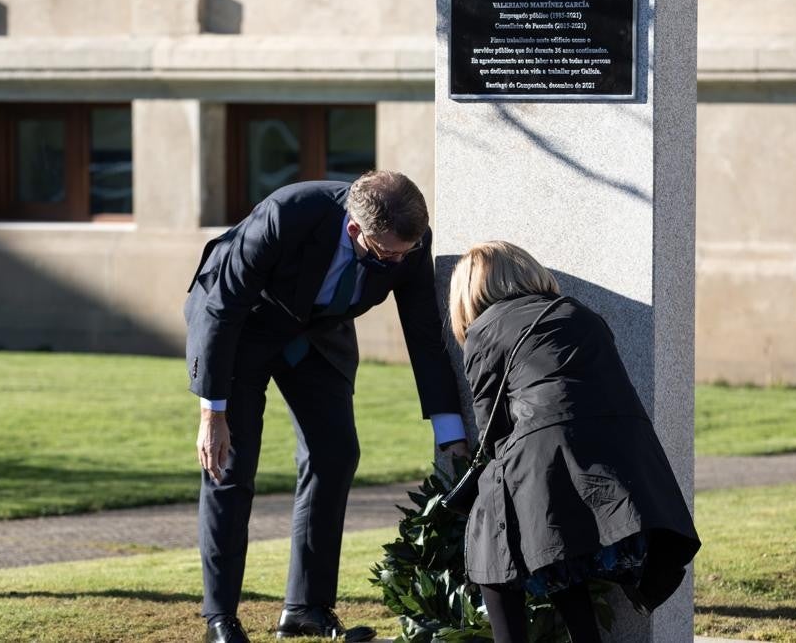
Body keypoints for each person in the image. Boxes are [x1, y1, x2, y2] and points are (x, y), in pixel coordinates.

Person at [185, 171, 470, 643]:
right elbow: (222, 308)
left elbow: (424, 333)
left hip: (317, 336)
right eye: (389, 254)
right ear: (356, 230)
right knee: (229, 465)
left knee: (334, 454)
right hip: (242, 329)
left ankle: (306, 609)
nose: (399, 261)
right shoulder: (288, 213)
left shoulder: (408, 242)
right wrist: (211, 415)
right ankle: (220, 618)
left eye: (406, 252)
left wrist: (450, 433)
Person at [446, 241, 700, 643]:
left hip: (546, 456)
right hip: (624, 464)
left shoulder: (485, 329)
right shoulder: (581, 313)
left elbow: (491, 432)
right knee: (561, 547)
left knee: (490, 547)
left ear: (471, 292)